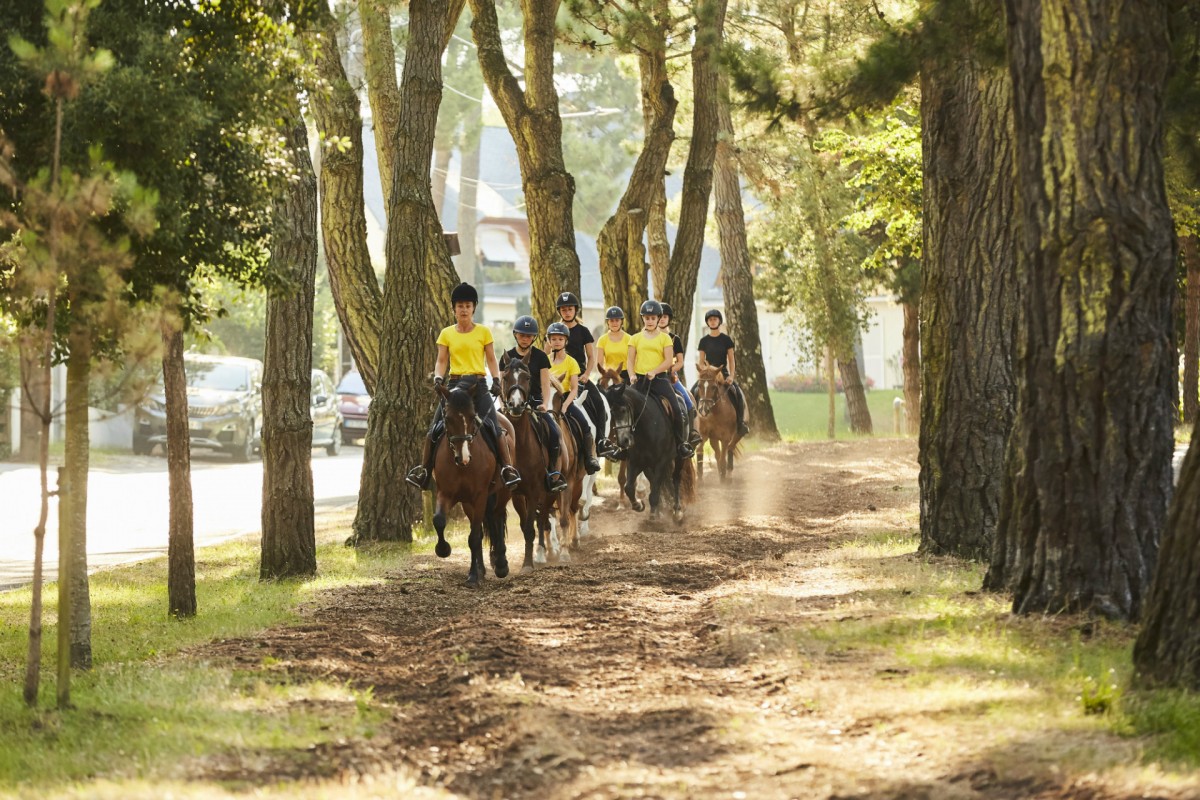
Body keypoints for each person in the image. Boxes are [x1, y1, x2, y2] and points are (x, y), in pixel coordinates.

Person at [406, 282, 521, 490]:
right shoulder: (446, 334)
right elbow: (441, 361)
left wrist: (496, 380)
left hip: (478, 385)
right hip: (455, 386)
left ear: (474, 308)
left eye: (468, 305)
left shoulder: (484, 332)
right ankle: (423, 470)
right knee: (434, 430)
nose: (464, 309)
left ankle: (507, 468)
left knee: (495, 428)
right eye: (460, 306)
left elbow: (492, 359)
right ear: (454, 309)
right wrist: (438, 379)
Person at [499, 315, 569, 493]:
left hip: (535, 404)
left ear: (534, 338)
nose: (525, 338)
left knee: (554, 433)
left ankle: (553, 472)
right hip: (510, 406)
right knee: (493, 433)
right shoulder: (506, 357)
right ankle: (500, 471)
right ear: (515, 335)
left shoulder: (540, 357)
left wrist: (545, 403)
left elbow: (546, 384)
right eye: (522, 335)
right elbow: (501, 384)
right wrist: (503, 404)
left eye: (529, 336)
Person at [626, 300, 694, 459]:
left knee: (677, 408)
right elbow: (630, 360)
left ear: (658, 319)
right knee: (623, 407)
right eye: (647, 318)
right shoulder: (635, 338)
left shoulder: (665, 339)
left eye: (653, 318)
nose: (650, 321)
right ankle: (621, 445)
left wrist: (654, 371)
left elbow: (669, 361)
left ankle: (680, 443)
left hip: (660, 380)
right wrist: (631, 375)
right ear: (643, 318)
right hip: (640, 381)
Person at [556, 291, 616, 457]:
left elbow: (591, 357)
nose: (567, 312)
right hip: (558, 379)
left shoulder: (583, 331)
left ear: (576, 310)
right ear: (559, 312)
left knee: (598, 402)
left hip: (580, 376)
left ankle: (602, 441)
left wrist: (587, 374)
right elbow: (546, 356)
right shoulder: (555, 331)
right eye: (563, 309)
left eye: (570, 309)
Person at [546, 321, 602, 474]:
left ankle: (589, 458)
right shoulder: (544, 361)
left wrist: (565, 406)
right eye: (554, 339)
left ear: (566, 341)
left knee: (584, 424)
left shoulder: (572, 362)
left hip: (564, 398)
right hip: (547, 399)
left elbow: (574, 389)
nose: (557, 342)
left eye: (560, 339)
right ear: (549, 341)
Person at [695, 308, 750, 436]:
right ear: (707, 322)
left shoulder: (726, 340)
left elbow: (731, 360)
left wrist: (731, 375)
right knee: (694, 391)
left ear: (719, 321)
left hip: (722, 373)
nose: (712, 322)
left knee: (737, 393)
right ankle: (695, 426)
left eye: (715, 319)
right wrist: (703, 374)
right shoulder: (703, 341)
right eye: (710, 320)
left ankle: (741, 423)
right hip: (708, 374)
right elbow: (701, 361)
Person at [657, 302, 702, 448]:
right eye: (659, 317)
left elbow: (681, 361)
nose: (661, 319)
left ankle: (692, 433)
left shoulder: (675, 339)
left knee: (689, 402)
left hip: (670, 376)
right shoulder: (650, 338)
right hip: (652, 375)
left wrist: (671, 369)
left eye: (664, 317)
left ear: (669, 319)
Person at [595, 306, 632, 384]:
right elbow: (600, 362)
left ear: (621, 321)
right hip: (609, 375)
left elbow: (633, 361)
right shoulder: (602, 340)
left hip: (626, 375)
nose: (614, 323)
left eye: (617, 320)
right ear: (607, 322)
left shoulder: (629, 339)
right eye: (611, 321)